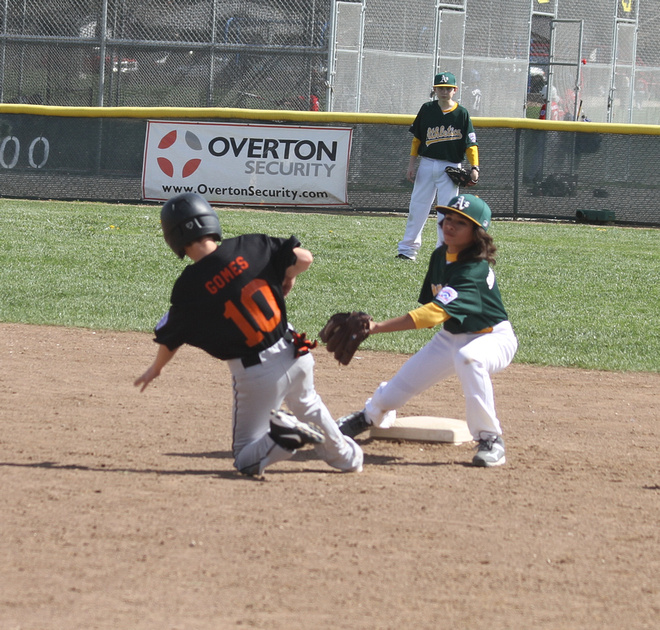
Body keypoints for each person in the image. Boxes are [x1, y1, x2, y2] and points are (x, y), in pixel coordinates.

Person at [134, 192, 363, 477]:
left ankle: (285, 434)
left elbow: (170, 337)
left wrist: (155, 369)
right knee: (308, 402)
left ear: (174, 237)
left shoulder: (188, 288)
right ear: (209, 220)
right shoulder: (251, 245)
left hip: (257, 374)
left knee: (245, 457)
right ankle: (346, 457)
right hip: (295, 351)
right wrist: (287, 277)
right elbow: (304, 258)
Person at [340, 194, 518, 467]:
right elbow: (434, 305)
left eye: (461, 222)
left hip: (492, 337)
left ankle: (491, 439)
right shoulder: (440, 255)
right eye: (448, 218)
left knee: (470, 358)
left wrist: (376, 328)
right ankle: (369, 416)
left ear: (477, 233)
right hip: (451, 337)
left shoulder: (473, 270)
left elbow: (432, 314)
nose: (449, 225)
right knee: (394, 392)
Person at [397, 71, 480, 262]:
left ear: (455, 90)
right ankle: (407, 250)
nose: (444, 91)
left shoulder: (462, 113)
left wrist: (475, 167)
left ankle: (444, 253)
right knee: (417, 208)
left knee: (448, 212)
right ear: (435, 90)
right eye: (440, 88)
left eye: (448, 88)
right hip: (427, 163)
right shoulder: (427, 109)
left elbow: (471, 144)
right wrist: (412, 164)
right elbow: (417, 140)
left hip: (451, 167)